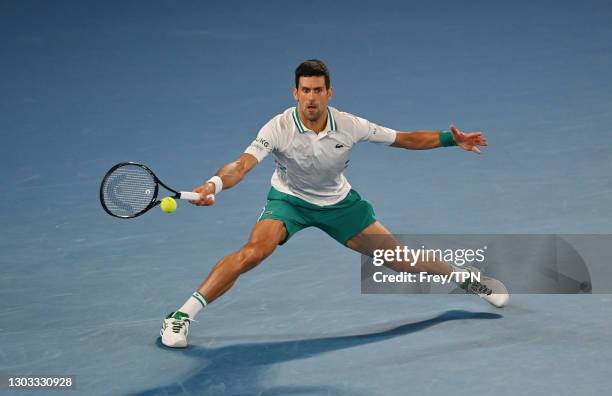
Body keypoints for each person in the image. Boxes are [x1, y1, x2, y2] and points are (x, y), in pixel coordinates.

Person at [160, 59, 508, 348]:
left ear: (329, 93)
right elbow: (242, 164)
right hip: (289, 201)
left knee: (401, 261)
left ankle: (465, 278)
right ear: (296, 93)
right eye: (305, 90)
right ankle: (180, 316)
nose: (311, 98)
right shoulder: (278, 127)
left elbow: (403, 139)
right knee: (252, 253)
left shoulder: (350, 125)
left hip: (339, 204)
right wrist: (214, 184)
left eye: (318, 90)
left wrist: (449, 139)